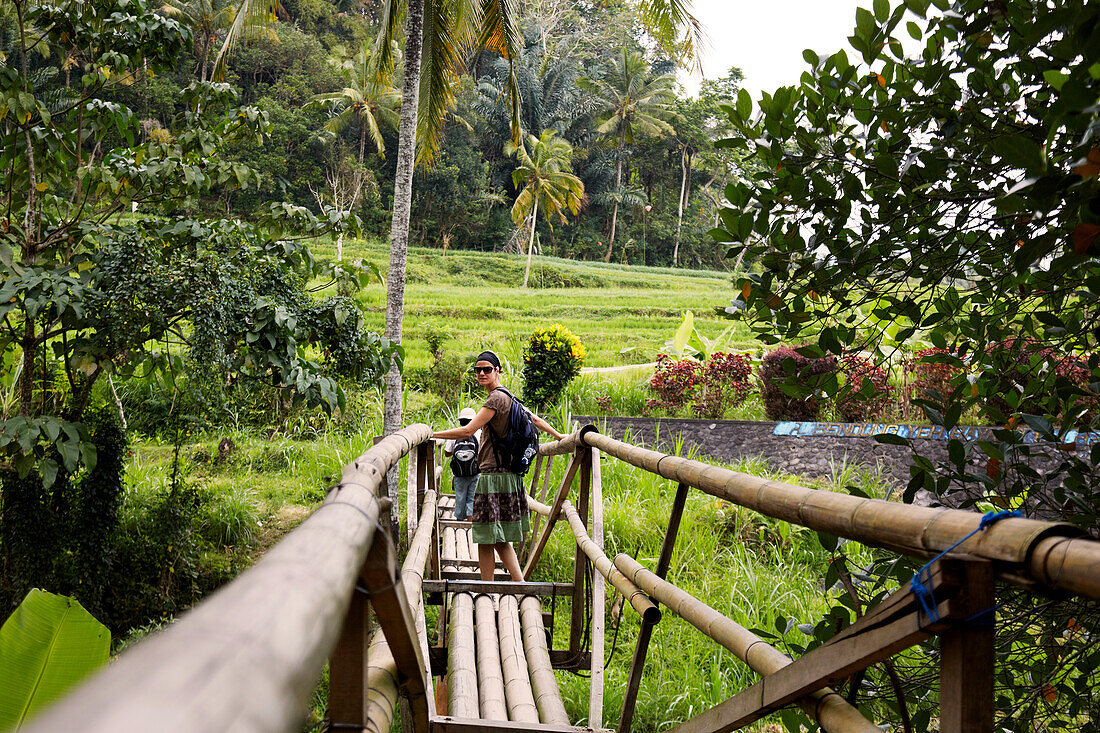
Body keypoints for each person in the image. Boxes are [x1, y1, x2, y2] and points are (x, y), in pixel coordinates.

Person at [432, 350, 565, 582]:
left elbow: (467, 431)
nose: (481, 373)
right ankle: (518, 583)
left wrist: (432, 433)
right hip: (507, 475)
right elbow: (534, 419)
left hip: (494, 476)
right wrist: (559, 435)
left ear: (497, 371)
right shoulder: (509, 397)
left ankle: (490, 587)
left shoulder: (495, 399)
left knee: (486, 535)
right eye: (478, 370)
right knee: (496, 537)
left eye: (487, 369)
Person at [442, 407, 480, 521]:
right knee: (472, 498)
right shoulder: (479, 433)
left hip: (459, 473)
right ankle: (470, 524)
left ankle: (459, 521)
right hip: (475, 472)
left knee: (460, 498)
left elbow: (447, 453)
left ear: (460, 421)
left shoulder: (455, 433)